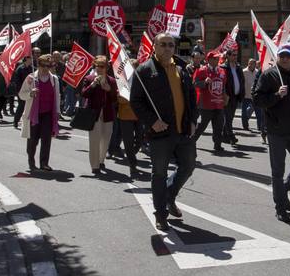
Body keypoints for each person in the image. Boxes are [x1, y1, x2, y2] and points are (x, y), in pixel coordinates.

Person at [131, 33, 198, 232]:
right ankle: (160, 214)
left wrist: (193, 120)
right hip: (160, 132)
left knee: (188, 166)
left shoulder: (181, 69)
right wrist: (152, 121)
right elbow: (136, 101)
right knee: (159, 173)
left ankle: (169, 195)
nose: (168, 48)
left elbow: (191, 97)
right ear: (155, 46)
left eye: (171, 45)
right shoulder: (144, 70)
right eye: (163, 44)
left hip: (183, 130)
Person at [254, 44, 290, 221]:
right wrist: (276, 95)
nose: (285, 59)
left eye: (288, 56)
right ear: (277, 57)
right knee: (277, 171)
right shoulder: (269, 75)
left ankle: (283, 191)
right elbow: (258, 99)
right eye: (282, 56)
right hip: (277, 131)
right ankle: (280, 206)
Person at [19, 54, 61, 171]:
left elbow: (57, 96)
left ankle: (44, 163)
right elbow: (21, 94)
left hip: (48, 113)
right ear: (38, 65)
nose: (45, 68)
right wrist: (30, 93)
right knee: (33, 140)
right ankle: (31, 161)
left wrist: (58, 111)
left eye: (48, 66)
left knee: (46, 139)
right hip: (34, 114)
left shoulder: (54, 79)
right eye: (43, 65)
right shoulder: (31, 78)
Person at [82, 56, 119, 175]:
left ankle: (101, 160)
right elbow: (84, 94)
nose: (99, 68)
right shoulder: (89, 78)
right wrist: (92, 85)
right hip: (94, 114)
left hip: (107, 114)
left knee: (106, 139)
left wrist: (109, 90)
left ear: (106, 68)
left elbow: (115, 99)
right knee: (94, 140)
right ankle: (95, 165)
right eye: (97, 66)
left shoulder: (112, 81)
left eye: (102, 66)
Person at [191, 51, 228, 153]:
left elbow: (223, 86)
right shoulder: (201, 70)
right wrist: (204, 82)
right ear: (209, 60)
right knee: (202, 125)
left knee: (219, 125)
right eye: (215, 58)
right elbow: (194, 84)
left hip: (218, 103)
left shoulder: (222, 71)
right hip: (206, 104)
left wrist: (225, 96)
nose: (217, 60)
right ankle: (191, 142)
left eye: (218, 58)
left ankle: (217, 144)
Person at [221, 50, 244, 144]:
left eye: (236, 55)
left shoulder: (238, 67)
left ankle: (224, 136)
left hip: (236, 96)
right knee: (228, 117)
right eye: (233, 55)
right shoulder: (223, 67)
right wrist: (224, 94)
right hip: (227, 96)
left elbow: (242, 81)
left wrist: (242, 93)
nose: (235, 57)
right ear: (228, 56)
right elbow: (222, 82)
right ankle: (231, 136)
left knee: (230, 117)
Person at [240, 57, 258, 132]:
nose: (250, 65)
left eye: (252, 63)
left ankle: (260, 127)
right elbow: (241, 83)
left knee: (258, 112)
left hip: (254, 96)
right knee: (244, 112)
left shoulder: (257, 72)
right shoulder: (244, 71)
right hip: (245, 95)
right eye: (249, 63)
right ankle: (245, 126)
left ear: (255, 65)